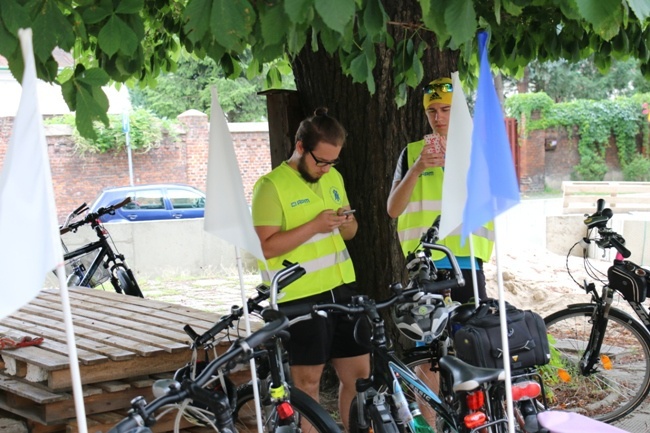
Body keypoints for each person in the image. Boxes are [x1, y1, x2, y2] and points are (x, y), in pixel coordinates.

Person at [251, 107, 369, 432]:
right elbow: (265, 246)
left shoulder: (333, 177)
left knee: (360, 378)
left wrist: (346, 222)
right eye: (321, 161)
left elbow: (351, 232)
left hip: (341, 289)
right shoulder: (270, 186)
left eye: (333, 162)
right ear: (300, 146)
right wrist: (315, 225)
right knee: (307, 386)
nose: (326, 168)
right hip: (300, 297)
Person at [386, 77, 494, 304]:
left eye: (446, 109)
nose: (438, 118)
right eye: (431, 110)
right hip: (424, 263)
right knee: (428, 336)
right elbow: (393, 210)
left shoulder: (480, 150)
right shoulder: (412, 152)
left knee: (472, 336)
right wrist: (417, 168)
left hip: (467, 258)